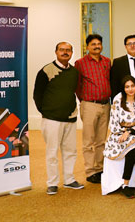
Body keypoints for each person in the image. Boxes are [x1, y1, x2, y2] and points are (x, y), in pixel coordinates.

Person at [33, 42, 84, 195]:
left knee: (70, 151)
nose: (65, 52)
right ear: (56, 52)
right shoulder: (46, 70)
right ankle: (52, 183)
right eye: (62, 50)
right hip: (51, 119)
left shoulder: (74, 72)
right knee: (52, 152)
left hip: (70, 117)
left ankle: (69, 180)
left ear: (72, 53)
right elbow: (37, 95)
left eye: (68, 50)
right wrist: (46, 112)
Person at [103, 75, 135, 198]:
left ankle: (126, 185)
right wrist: (125, 132)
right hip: (119, 134)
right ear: (123, 89)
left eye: (133, 86)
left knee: (134, 140)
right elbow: (114, 124)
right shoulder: (118, 102)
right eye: (127, 87)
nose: (130, 89)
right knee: (132, 144)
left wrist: (129, 131)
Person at [75, 33, 112, 184]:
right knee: (89, 140)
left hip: (106, 104)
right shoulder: (80, 63)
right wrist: (84, 101)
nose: (97, 46)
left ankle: (100, 169)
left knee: (101, 140)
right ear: (87, 46)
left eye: (99, 44)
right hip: (89, 104)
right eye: (93, 44)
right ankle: (90, 171)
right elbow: (77, 85)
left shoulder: (107, 61)